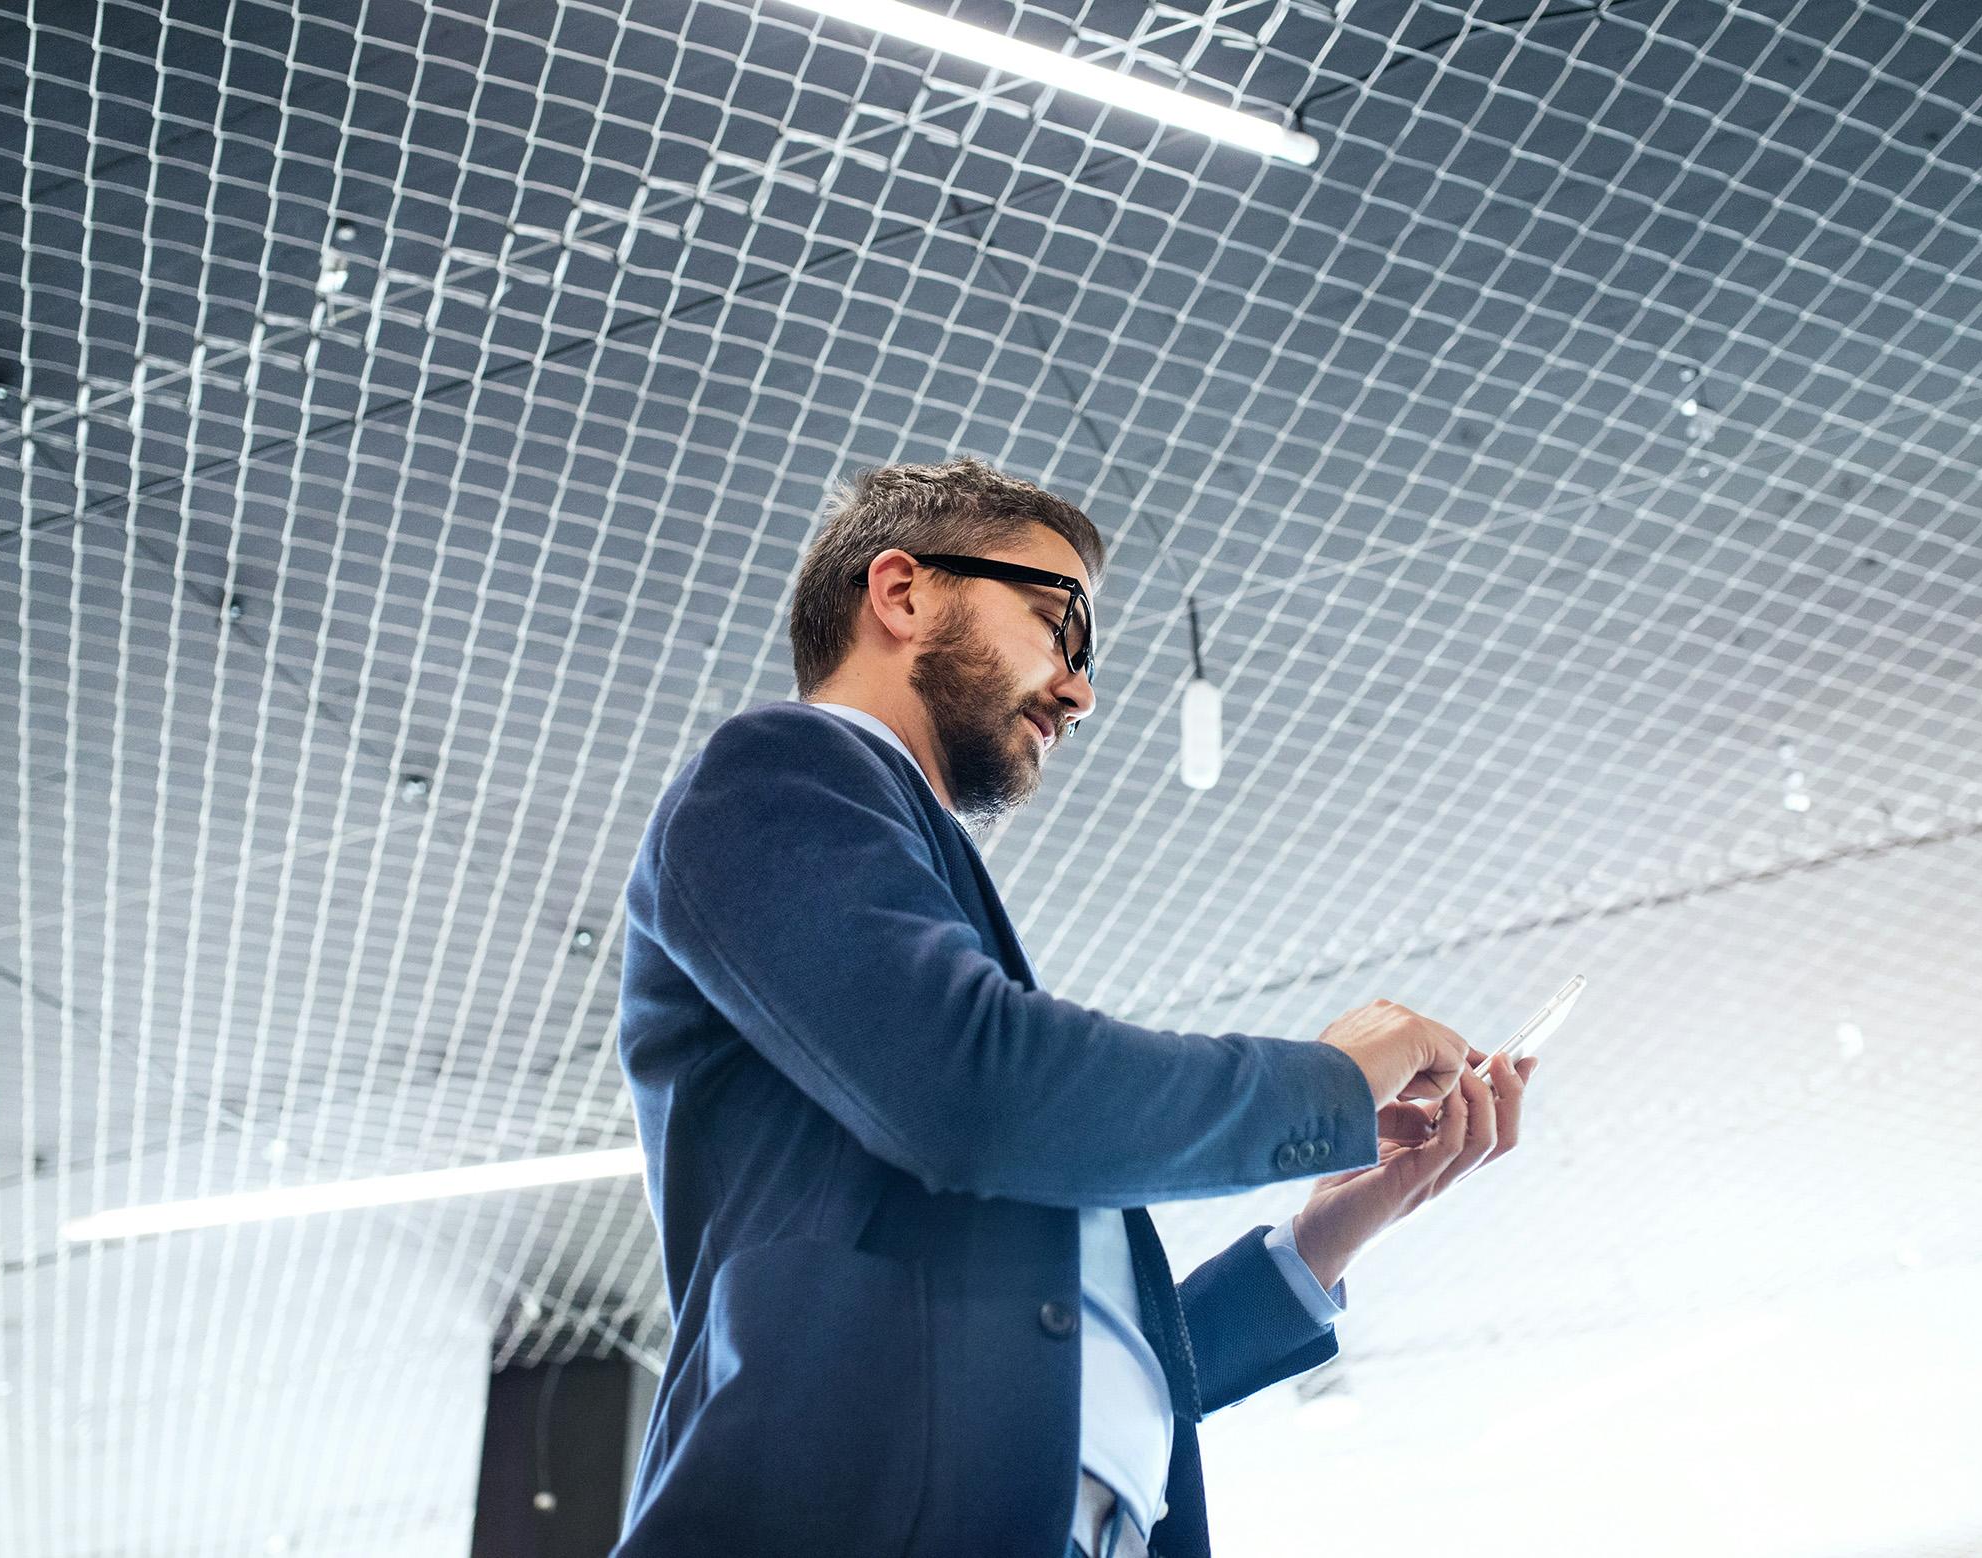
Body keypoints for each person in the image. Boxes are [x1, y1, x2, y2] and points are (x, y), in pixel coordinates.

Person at [613, 456, 1538, 1558]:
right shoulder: (771, 773)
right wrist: (1323, 1079)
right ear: (902, 593)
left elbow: (1051, 1369)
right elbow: (978, 1087)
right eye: (1057, 624)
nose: (1078, 689)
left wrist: (1318, 1240)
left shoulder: (899, 890)